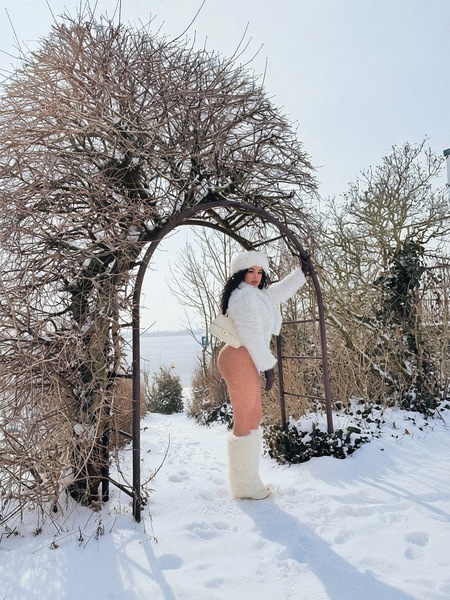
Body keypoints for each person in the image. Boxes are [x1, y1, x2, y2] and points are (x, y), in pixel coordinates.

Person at [217, 250, 308, 500]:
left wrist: (302, 273)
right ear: (240, 273)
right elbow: (251, 334)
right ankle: (244, 486)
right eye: (251, 271)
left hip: (246, 356)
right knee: (245, 418)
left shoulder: (258, 295)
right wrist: (268, 366)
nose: (256, 276)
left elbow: (279, 291)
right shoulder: (242, 296)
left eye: (260, 271)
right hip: (239, 355)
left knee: (255, 415)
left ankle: (249, 480)